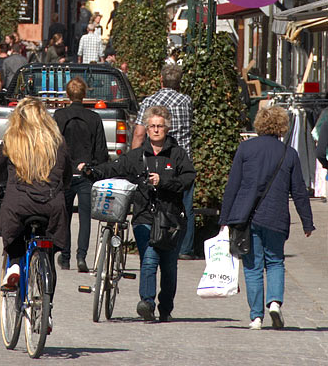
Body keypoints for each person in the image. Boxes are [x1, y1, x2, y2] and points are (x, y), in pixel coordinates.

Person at [78, 105, 195, 321]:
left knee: (169, 266)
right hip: (144, 216)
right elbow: (115, 167)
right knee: (149, 259)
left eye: (160, 126)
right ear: (147, 129)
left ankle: (165, 308)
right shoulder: (138, 155)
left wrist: (165, 181)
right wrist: (91, 171)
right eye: (152, 126)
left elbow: (188, 179)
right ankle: (147, 303)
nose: (156, 130)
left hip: (170, 218)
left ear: (167, 129)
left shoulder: (178, 155)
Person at [219, 106, 315, 330]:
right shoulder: (289, 153)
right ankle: (274, 302)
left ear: (259, 124)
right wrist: (307, 222)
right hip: (276, 217)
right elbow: (299, 191)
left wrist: (225, 218)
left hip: (248, 217)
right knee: (275, 262)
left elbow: (232, 186)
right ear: (282, 126)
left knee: (252, 267)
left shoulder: (245, 149)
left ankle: (256, 317)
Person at [0, 97, 72, 289]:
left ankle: (14, 265)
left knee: (15, 237)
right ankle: (47, 306)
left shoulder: (12, 140)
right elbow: (67, 172)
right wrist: (64, 186)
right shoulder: (57, 142)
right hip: (51, 206)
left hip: (19, 205)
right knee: (49, 252)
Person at [132, 64, 196, 260]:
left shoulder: (150, 101)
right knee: (185, 205)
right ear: (179, 82)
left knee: (154, 202)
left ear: (161, 80)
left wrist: (135, 157)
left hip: (155, 159)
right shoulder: (187, 101)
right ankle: (184, 247)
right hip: (181, 160)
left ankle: (155, 237)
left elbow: (139, 133)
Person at [54, 77, 109, 272]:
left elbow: (53, 146)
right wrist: (96, 168)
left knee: (65, 215)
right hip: (86, 172)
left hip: (65, 173)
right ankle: (81, 256)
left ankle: (66, 255)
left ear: (68, 95)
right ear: (84, 95)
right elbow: (101, 150)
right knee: (85, 217)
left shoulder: (59, 116)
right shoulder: (94, 118)